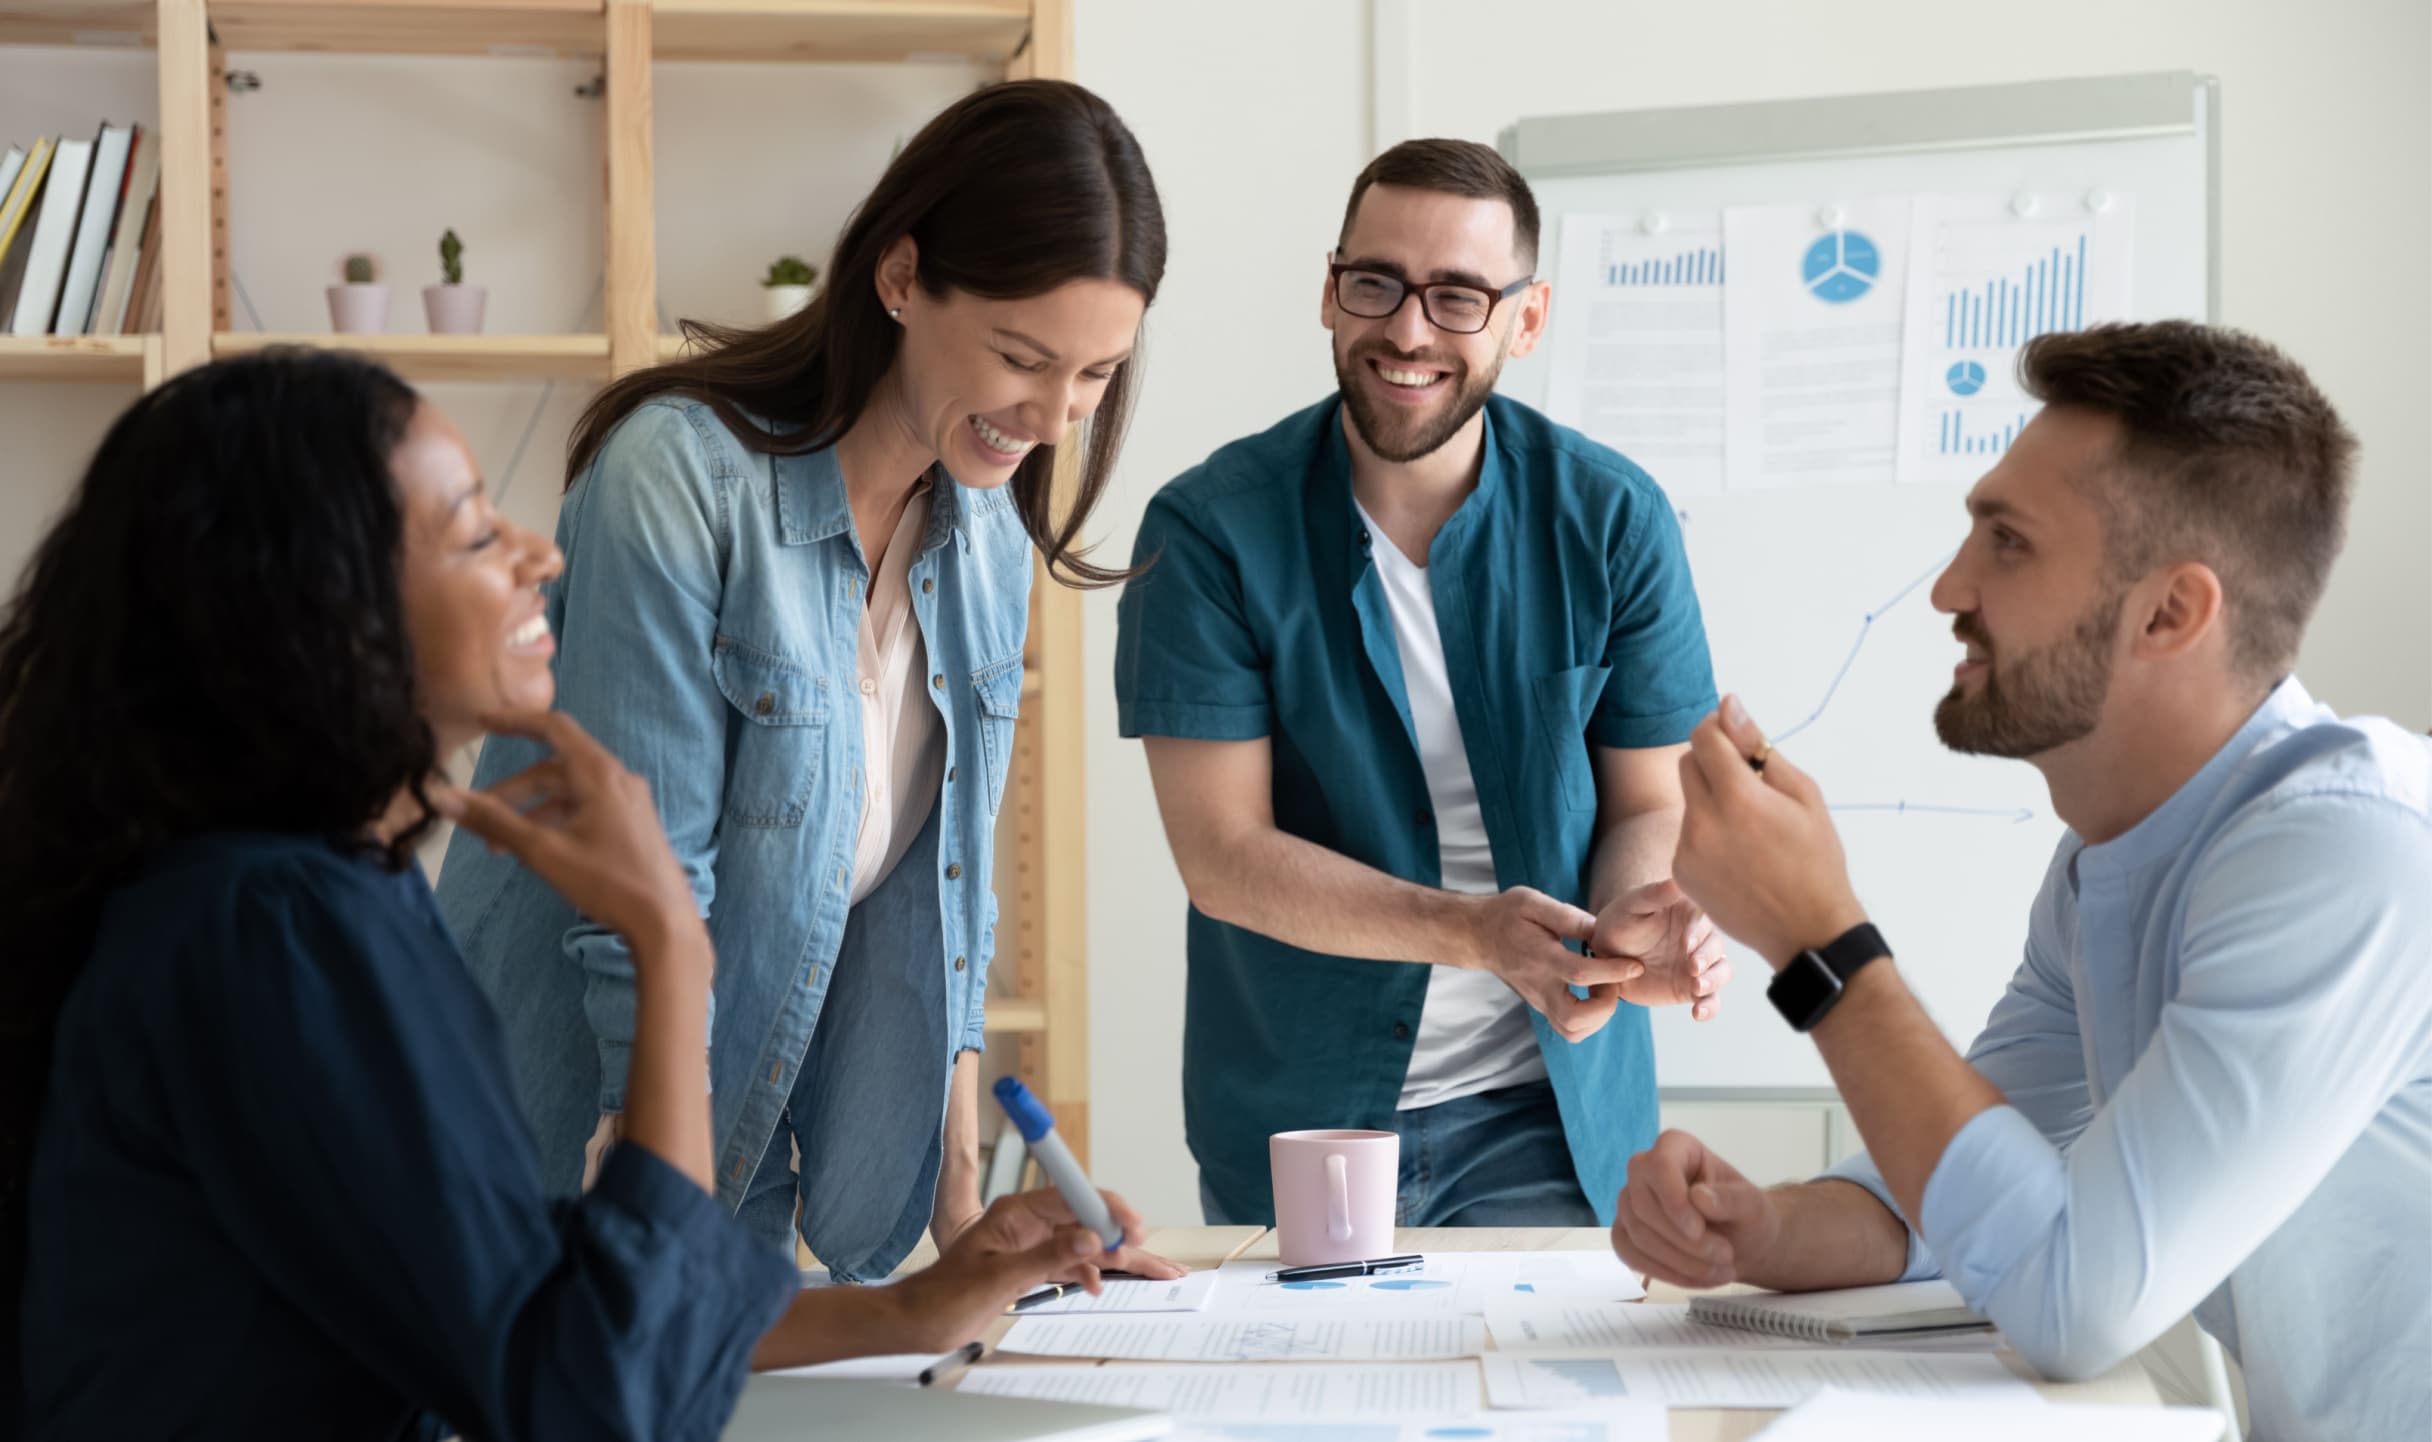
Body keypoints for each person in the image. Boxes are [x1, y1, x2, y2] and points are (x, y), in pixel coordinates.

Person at [1, 351, 1155, 1436]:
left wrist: (915, 1307)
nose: (537, 556)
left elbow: (533, 1282)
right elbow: (595, 1393)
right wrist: (666, 941)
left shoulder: (304, 893)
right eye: (471, 536)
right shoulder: (278, 931)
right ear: (321, 608)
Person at [1619, 321, 2431, 1442]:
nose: (1948, 586)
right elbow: (1965, 1177)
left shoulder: (2349, 851)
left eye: (2005, 543)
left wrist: (1817, 937)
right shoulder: (2112, 857)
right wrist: (1763, 1229)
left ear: (2169, 612)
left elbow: (2068, 1295)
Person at [434, 79, 1181, 1280]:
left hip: (741, 1141)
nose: (1051, 417)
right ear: (898, 278)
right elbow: (643, 896)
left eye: (1094, 375)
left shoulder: (983, 528)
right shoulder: (679, 482)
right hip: (568, 1142)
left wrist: (963, 1220)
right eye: (1018, 356)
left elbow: (952, 897)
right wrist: (656, 1228)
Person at [1114, 139, 1730, 1230]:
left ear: (1523, 320)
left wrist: (1625, 925)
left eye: (1456, 296)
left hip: (1545, 1109)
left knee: (1543, 1404)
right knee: (1313, 1407)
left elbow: (1650, 800)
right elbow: (1224, 858)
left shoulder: (1612, 519)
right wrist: (1475, 931)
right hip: (1300, 1118)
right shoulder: (1208, 529)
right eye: (1374, 284)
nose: (1406, 329)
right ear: (1328, 290)